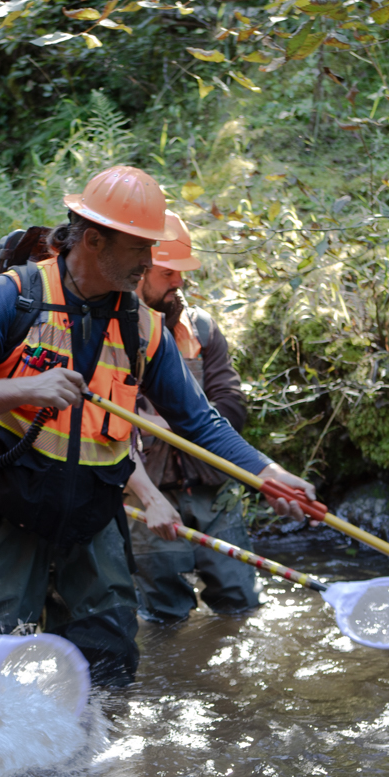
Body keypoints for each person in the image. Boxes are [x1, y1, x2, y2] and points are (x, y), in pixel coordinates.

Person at [0, 164, 315, 687]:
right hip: (4, 504)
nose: (149, 263)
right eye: (140, 249)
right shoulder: (13, 297)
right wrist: (28, 389)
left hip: (94, 511)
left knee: (108, 659)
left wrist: (268, 473)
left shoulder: (145, 328)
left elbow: (197, 420)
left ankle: (86, 766)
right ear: (93, 240)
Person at [125, 212, 261, 623]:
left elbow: (232, 404)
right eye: (168, 273)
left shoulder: (200, 328)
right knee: (164, 612)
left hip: (213, 490)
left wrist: (182, 423)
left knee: (241, 602)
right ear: (141, 272)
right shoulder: (110, 329)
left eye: (181, 273)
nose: (178, 283)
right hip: (145, 491)